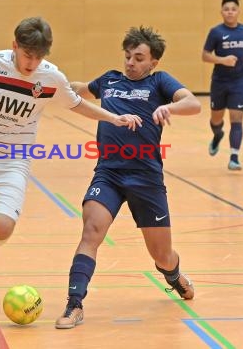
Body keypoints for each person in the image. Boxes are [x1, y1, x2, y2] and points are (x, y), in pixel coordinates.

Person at [0, 16, 137, 319]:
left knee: (3, 226)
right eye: (27, 55)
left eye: (39, 57)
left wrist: (113, 118)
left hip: (13, 159)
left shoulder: (51, 78)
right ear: (14, 46)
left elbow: (76, 104)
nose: (32, 63)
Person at [54, 26, 201, 329]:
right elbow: (80, 88)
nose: (131, 63)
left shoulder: (160, 81)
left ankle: (173, 275)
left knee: (161, 256)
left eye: (138, 58)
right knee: (91, 231)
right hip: (108, 172)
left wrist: (167, 106)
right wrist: (53, 81)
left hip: (145, 177)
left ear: (153, 62)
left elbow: (193, 103)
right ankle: (74, 304)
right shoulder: (109, 80)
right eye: (128, 56)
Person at [202, 0, 243, 171]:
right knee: (216, 119)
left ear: (238, 11)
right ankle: (217, 136)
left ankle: (234, 157)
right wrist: (222, 60)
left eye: (233, 9)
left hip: (239, 81)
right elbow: (205, 55)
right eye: (227, 9)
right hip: (220, 81)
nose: (230, 12)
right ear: (221, 12)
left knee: (236, 118)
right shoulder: (216, 32)